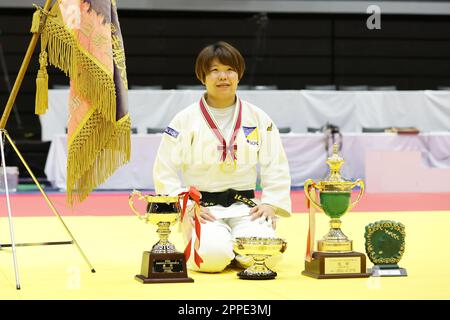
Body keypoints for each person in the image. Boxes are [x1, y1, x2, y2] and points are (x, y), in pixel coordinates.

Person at [153, 41, 291, 273]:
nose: (223, 76)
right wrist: (186, 205)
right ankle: (225, 248)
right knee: (211, 259)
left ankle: (238, 247)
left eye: (229, 70)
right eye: (214, 70)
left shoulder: (258, 117)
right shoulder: (185, 119)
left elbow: (275, 163)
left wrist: (270, 202)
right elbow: (164, 169)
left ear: (239, 75)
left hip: (246, 207)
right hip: (204, 210)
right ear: (202, 77)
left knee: (266, 258)